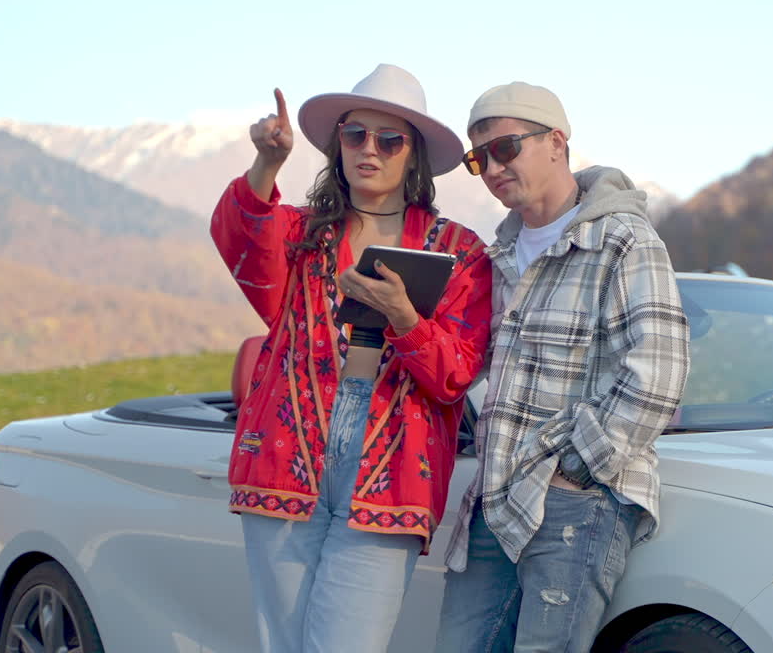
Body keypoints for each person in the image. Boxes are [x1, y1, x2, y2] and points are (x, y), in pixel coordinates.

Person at [211, 64, 492, 653]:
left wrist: (405, 317)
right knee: (285, 643)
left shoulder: (460, 251)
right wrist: (267, 163)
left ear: (413, 156)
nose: (370, 150)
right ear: (336, 144)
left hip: (393, 468)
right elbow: (240, 239)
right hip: (289, 454)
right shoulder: (299, 233)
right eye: (355, 135)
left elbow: (457, 375)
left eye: (390, 140)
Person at [435, 82, 691, 652]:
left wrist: (576, 468)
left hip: (574, 502)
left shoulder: (622, 239)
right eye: (478, 160)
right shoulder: (495, 259)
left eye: (504, 149)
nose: (491, 169)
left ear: (556, 142)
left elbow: (658, 371)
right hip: (494, 500)